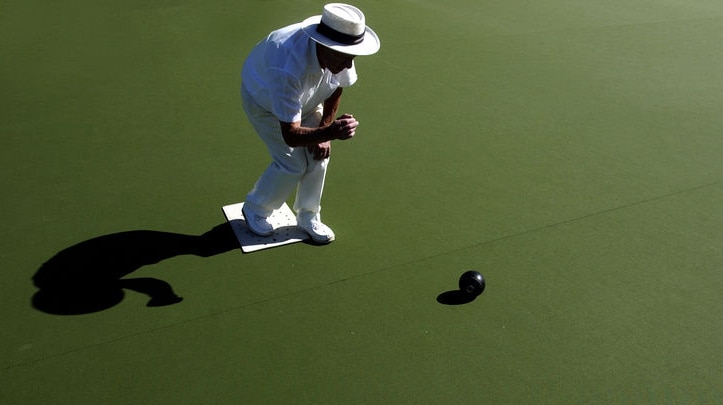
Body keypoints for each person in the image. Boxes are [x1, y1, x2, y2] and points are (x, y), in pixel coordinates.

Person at [239, 3, 380, 244]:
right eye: (346, 59)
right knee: (292, 163)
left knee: (319, 154)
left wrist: (325, 132)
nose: (349, 65)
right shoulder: (285, 65)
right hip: (267, 104)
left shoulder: (342, 50)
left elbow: (337, 88)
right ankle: (255, 208)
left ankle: (308, 216)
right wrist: (331, 131)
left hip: (308, 97)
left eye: (352, 58)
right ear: (325, 47)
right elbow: (291, 135)